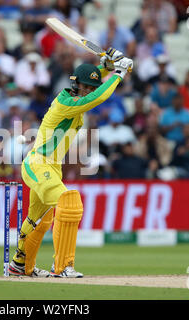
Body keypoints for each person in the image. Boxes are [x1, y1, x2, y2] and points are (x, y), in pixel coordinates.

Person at [9, 47, 133, 277]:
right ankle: (64, 267)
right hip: (37, 163)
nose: (89, 92)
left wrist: (104, 67)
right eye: (85, 87)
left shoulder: (78, 97)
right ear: (76, 84)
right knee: (69, 203)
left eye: (91, 88)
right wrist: (118, 73)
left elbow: (93, 83)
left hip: (51, 168)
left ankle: (20, 265)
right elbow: (100, 96)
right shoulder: (66, 102)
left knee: (39, 219)